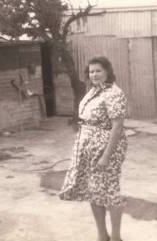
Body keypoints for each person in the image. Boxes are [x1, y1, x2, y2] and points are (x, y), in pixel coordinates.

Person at [59, 56, 128, 241]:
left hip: (106, 149)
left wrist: (106, 156)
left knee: (110, 191)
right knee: (94, 191)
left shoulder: (114, 93)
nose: (94, 74)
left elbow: (117, 127)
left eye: (98, 71)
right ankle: (101, 235)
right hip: (88, 147)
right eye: (91, 71)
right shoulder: (92, 91)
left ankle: (115, 237)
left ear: (107, 72)